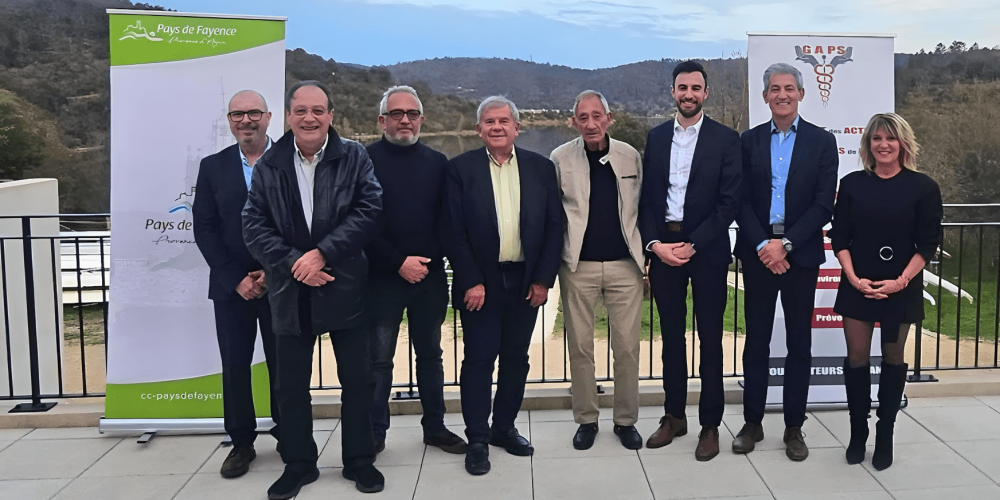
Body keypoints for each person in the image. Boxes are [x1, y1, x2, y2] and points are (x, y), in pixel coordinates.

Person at [242, 80, 384, 498]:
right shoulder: (269, 165)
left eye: (318, 110)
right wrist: (295, 264)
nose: (309, 118)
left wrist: (322, 254)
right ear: (288, 116)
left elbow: (370, 211)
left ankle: (359, 461)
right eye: (301, 110)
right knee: (290, 386)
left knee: (357, 381)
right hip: (290, 291)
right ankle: (299, 464)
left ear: (331, 116)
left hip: (345, 284)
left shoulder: (355, 156)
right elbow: (253, 225)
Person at [445, 96, 563, 476]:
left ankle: (504, 429)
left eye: (504, 121)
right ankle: (477, 439)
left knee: (517, 359)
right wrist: (472, 280)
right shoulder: (460, 169)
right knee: (479, 360)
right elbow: (453, 231)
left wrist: (544, 279)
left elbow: (553, 227)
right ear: (478, 130)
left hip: (526, 280)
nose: (497, 127)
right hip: (480, 283)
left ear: (516, 127)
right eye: (489, 122)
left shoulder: (541, 168)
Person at [732, 63, 838, 461]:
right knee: (756, 341)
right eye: (774, 88)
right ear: (765, 97)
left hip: (801, 255)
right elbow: (739, 200)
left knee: (799, 344)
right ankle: (753, 422)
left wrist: (786, 245)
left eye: (789, 88)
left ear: (801, 94)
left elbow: (823, 203)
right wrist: (765, 243)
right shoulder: (749, 141)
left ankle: (794, 427)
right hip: (759, 254)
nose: (782, 94)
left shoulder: (822, 142)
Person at [639, 60, 741, 462]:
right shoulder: (657, 136)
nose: (688, 94)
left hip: (709, 250)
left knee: (711, 339)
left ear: (705, 93)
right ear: (673, 92)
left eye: (695, 88)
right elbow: (647, 200)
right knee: (672, 340)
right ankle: (674, 416)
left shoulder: (725, 139)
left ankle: (710, 425)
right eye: (682, 88)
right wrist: (654, 245)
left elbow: (729, 202)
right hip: (665, 250)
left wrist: (694, 243)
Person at [829, 113, 942, 471]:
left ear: (903, 143)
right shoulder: (851, 184)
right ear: (867, 145)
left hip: (901, 288)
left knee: (893, 362)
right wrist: (853, 277)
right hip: (856, 286)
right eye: (876, 139)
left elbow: (928, 244)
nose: (883, 145)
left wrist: (900, 282)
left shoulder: (924, 187)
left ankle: (886, 432)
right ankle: (858, 432)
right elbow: (840, 237)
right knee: (857, 360)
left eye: (890, 139)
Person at [364, 85, 466, 455]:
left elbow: (447, 221)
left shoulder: (438, 162)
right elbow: (361, 223)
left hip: (429, 277)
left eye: (411, 113)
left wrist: (424, 262)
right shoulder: (362, 160)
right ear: (382, 120)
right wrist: (398, 262)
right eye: (396, 113)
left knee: (431, 355)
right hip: (380, 278)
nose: (404, 120)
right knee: (378, 360)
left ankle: (435, 428)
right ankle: (375, 433)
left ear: (422, 119)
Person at [550, 90, 646, 451]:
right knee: (580, 347)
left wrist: (646, 258)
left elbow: (643, 207)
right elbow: (552, 214)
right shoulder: (560, 158)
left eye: (596, 116)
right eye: (582, 117)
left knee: (627, 348)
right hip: (578, 267)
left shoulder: (629, 156)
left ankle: (625, 421)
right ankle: (586, 420)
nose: (590, 123)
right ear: (573, 121)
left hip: (626, 267)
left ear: (609, 119)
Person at [192, 90, 280, 478]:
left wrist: (273, 271)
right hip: (231, 288)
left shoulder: (291, 161)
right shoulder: (212, 167)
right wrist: (235, 278)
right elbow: (205, 228)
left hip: (281, 283)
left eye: (254, 113)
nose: (247, 120)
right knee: (235, 367)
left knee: (285, 365)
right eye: (238, 114)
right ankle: (241, 443)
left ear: (269, 116)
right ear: (229, 121)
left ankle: (291, 436)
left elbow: (304, 224)